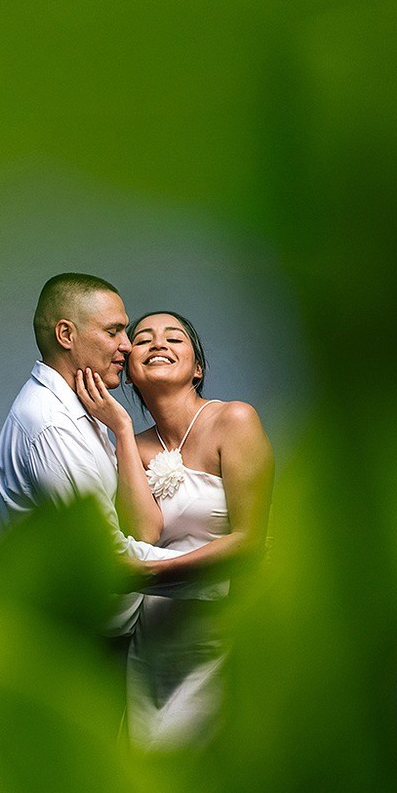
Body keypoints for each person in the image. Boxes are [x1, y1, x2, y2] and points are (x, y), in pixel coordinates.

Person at [97, 309, 275, 747]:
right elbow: (144, 533)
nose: (158, 343)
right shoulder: (130, 446)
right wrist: (120, 428)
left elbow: (251, 542)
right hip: (155, 645)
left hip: (221, 638)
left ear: (197, 368)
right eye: (142, 339)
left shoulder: (233, 421)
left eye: (174, 338)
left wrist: (149, 575)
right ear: (130, 370)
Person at [0, 274, 179, 637]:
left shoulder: (84, 411)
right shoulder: (52, 424)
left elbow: (135, 526)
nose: (128, 346)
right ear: (66, 335)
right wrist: (222, 567)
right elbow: (112, 562)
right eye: (113, 332)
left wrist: (122, 427)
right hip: (83, 645)